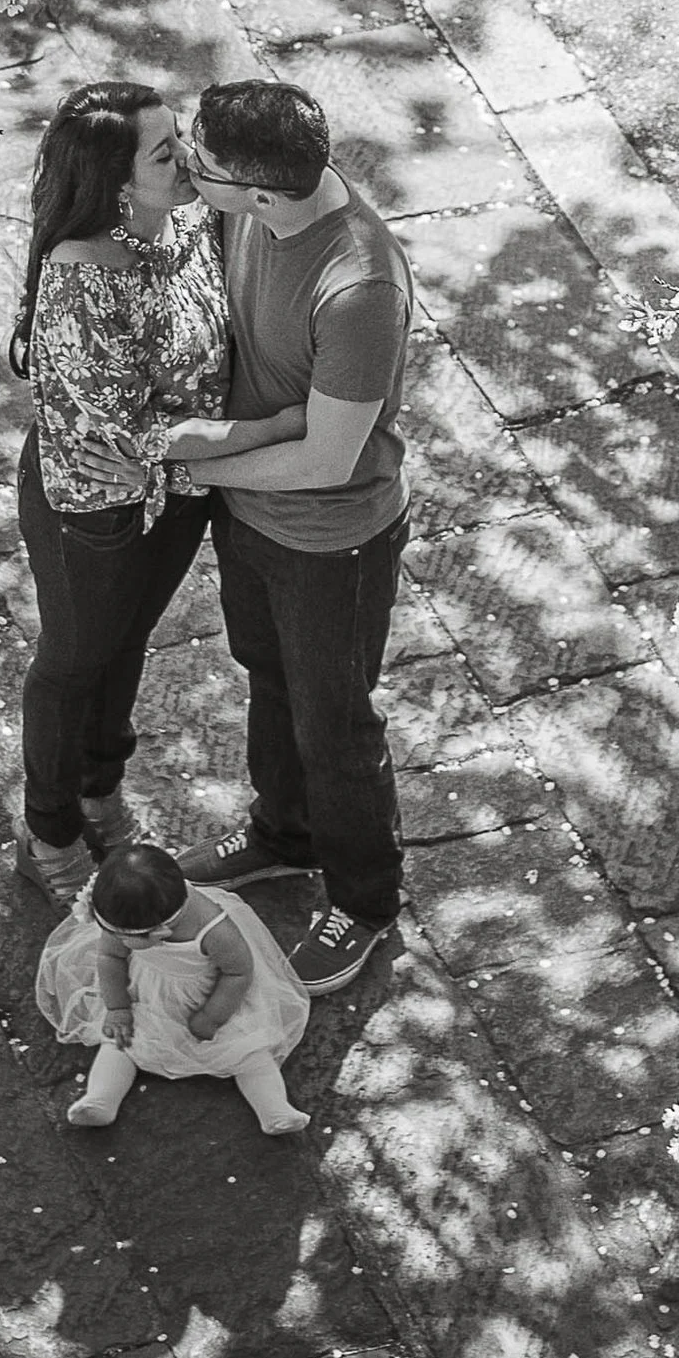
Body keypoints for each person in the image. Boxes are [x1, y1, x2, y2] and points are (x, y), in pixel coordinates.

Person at [79, 79, 412, 996]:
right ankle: (282, 832)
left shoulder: (360, 289)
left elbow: (330, 458)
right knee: (268, 676)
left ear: (257, 191)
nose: (187, 160)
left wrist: (182, 470)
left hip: (329, 538)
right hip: (253, 516)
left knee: (336, 723)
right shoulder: (249, 210)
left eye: (202, 161)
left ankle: (366, 900)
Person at [7, 81, 306, 903]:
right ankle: (48, 827)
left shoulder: (185, 221)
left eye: (181, 139)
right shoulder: (81, 283)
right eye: (167, 152)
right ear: (115, 184)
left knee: (127, 640)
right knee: (72, 660)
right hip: (95, 511)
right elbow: (129, 440)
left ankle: (100, 789)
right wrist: (280, 427)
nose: (189, 160)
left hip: (176, 495)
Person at [34, 842, 311, 1133]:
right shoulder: (123, 921)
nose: (118, 939)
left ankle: (274, 1109)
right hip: (147, 994)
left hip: (214, 996)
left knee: (250, 1052)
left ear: (163, 927)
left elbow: (238, 972)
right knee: (119, 1041)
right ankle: (100, 1100)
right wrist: (117, 1007)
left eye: (128, 937)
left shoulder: (214, 929)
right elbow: (110, 957)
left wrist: (212, 1016)